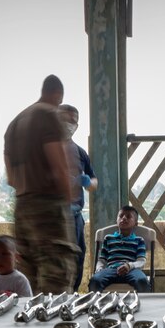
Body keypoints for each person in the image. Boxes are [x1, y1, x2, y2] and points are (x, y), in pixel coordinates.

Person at [4, 74, 78, 294]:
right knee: (57, 280)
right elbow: (59, 165)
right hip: (48, 207)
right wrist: (68, 198)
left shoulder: (14, 123)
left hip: (23, 207)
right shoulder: (48, 114)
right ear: (58, 95)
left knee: (29, 280)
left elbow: (10, 178)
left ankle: (32, 327)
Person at [58, 104, 98, 291]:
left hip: (75, 217)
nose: (69, 125)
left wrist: (87, 182)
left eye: (73, 121)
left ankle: (72, 294)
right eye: (65, 120)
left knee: (77, 257)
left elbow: (94, 182)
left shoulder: (80, 153)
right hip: (51, 217)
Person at [88, 206, 150, 293]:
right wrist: (99, 269)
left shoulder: (139, 240)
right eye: (121, 216)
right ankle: (98, 305)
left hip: (132, 270)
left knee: (142, 282)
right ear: (116, 220)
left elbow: (141, 261)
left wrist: (129, 266)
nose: (124, 218)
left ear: (136, 223)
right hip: (111, 269)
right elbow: (102, 260)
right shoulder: (108, 238)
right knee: (95, 281)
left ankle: (143, 304)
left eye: (128, 216)